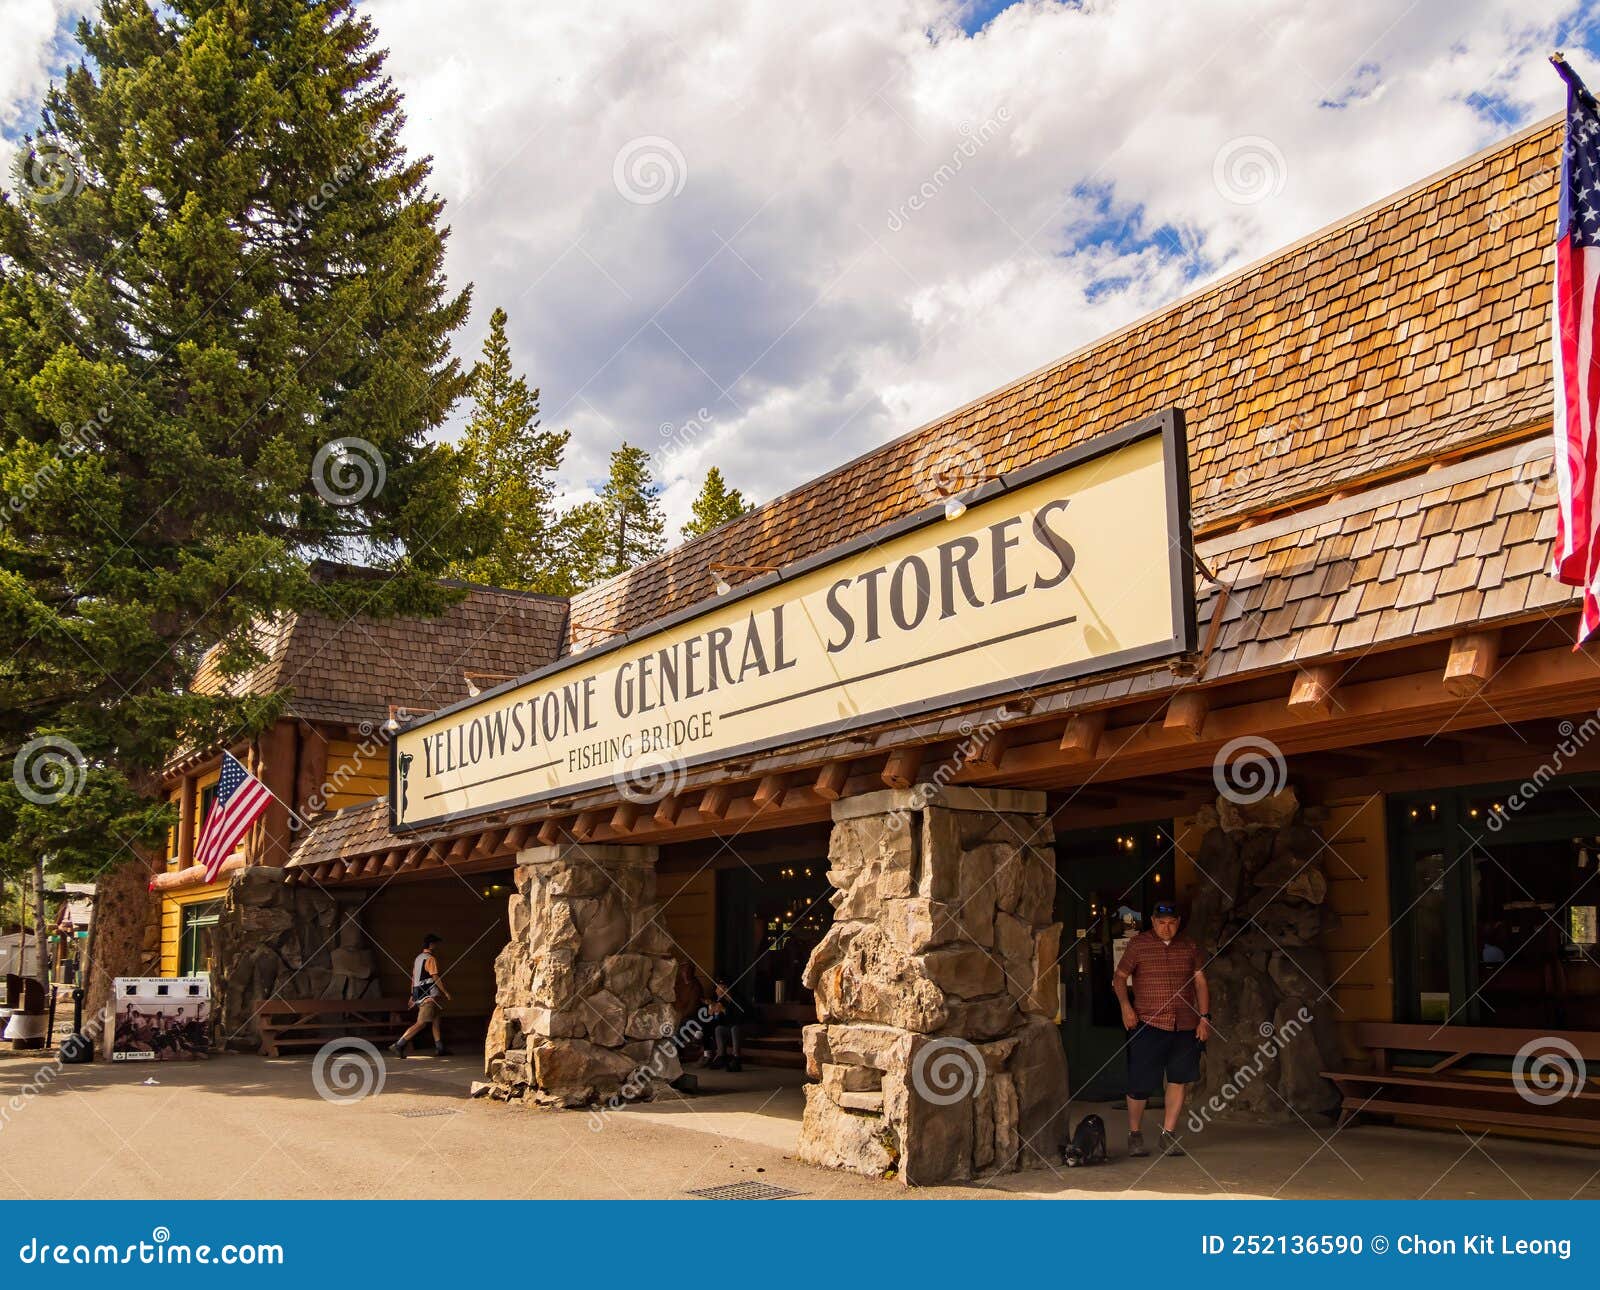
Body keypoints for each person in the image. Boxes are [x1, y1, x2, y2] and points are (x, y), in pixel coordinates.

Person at [1111, 900, 1210, 1159]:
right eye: (1162, 923)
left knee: (1178, 1079)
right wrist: (1125, 1007)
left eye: (1172, 923)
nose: (1167, 928)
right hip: (1148, 1022)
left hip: (1185, 1023)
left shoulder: (1190, 946)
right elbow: (1119, 977)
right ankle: (1135, 1134)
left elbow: (1200, 981)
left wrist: (1204, 1017)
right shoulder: (1138, 944)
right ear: (1154, 922)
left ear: (1178, 922)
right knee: (1140, 1083)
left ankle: (1168, 1134)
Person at [392, 933, 451, 1058]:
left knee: (435, 1020)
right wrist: (445, 991)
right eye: (435, 943)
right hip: (429, 994)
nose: (436, 945)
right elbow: (435, 977)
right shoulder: (431, 959)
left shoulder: (418, 958)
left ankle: (440, 1047)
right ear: (431, 945)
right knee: (421, 1023)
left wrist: (412, 995)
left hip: (420, 993)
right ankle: (399, 1044)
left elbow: (414, 978)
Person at [700, 976, 744, 1072]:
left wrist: (724, 1010)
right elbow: (720, 1021)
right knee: (719, 1029)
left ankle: (736, 1058)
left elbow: (739, 1019)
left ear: (725, 989)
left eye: (718, 988)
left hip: (743, 1028)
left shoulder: (737, 999)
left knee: (734, 1028)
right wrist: (713, 1011)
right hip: (731, 1029)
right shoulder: (722, 1001)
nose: (716, 991)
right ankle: (721, 1055)